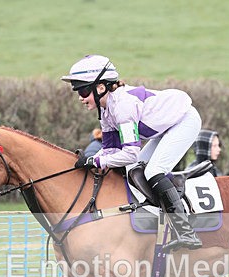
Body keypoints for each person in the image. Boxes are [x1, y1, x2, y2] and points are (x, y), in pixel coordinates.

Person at [61, 54, 202, 252]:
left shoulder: (122, 107)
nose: (80, 97)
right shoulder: (106, 111)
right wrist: (90, 160)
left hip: (184, 121)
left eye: (83, 90)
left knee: (153, 171)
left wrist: (96, 159)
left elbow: (130, 154)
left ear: (100, 87)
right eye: (77, 91)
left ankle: (186, 231)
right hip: (165, 127)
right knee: (134, 172)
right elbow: (110, 150)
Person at [165, 129, 222, 277]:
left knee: (210, 264)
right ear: (204, 148)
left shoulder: (214, 170)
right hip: (197, 225)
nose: (218, 149)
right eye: (214, 145)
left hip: (212, 223)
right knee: (201, 264)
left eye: (218, 145)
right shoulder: (192, 171)